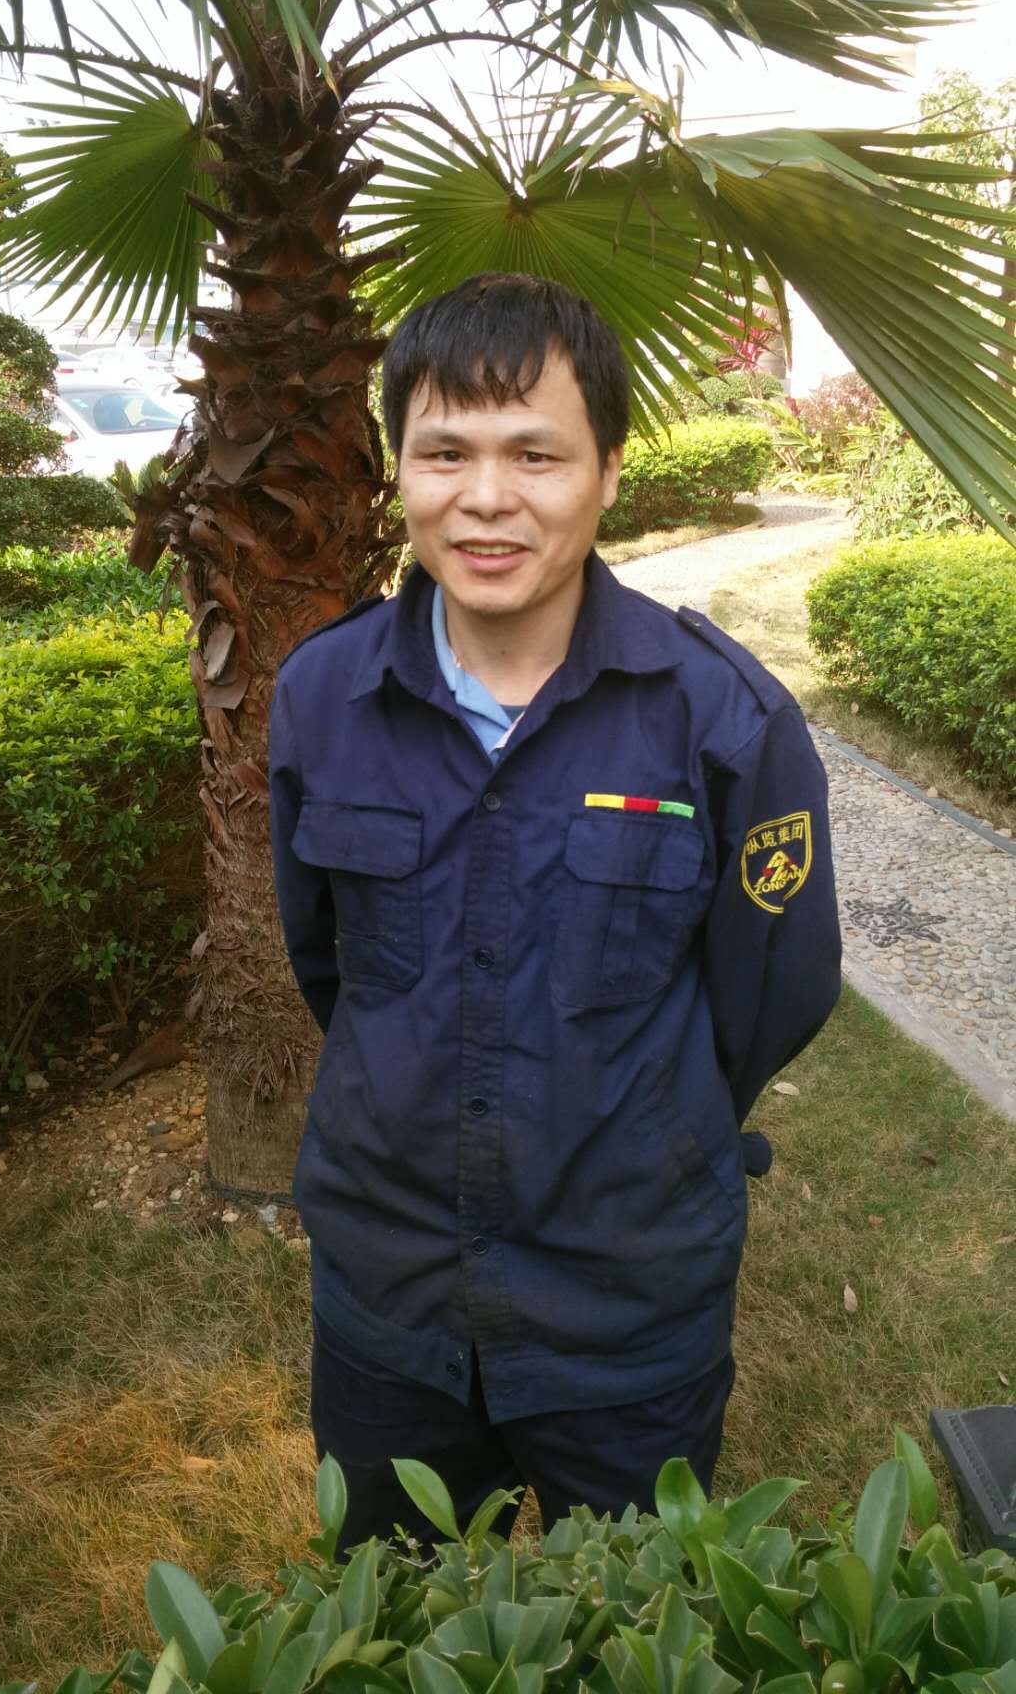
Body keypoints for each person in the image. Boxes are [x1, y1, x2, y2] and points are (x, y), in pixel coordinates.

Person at [269, 272, 842, 1550]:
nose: (486, 498)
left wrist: (648, 1123)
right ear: (398, 467)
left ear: (609, 471)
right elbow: (328, 964)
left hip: (628, 1307)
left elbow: (776, 992)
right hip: (392, 1301)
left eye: (536, 454)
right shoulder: (321, 699)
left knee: (638, 1624)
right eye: (445, 453)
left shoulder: (722, 719)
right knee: (392, 1620)